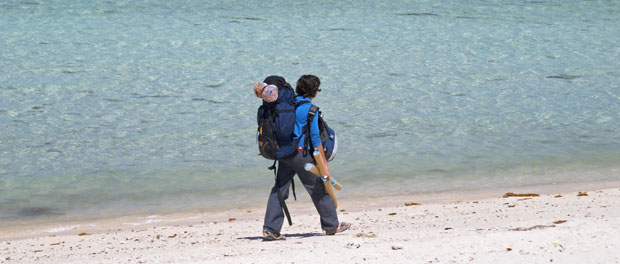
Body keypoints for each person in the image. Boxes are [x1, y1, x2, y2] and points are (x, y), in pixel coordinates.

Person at [256, 75, 350, 240]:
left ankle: (270, 229)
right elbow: (315, 140)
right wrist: (324, 168)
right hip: (301, 156)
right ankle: (331, 225)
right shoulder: (309, 109)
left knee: (279, 189)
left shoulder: (288, 104)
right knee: (318, 188)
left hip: (284, 153)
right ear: (314, 92)